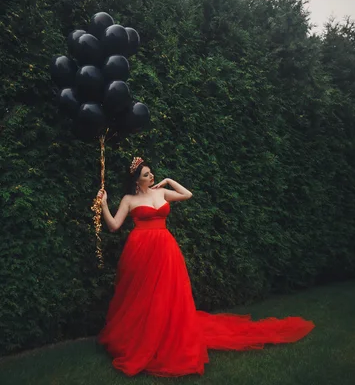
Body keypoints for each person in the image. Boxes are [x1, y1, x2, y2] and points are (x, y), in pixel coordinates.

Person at [96, 157, 315, 377]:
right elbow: (114, 226)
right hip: (141, 250)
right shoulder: (129, 199)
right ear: (137, 181)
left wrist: (169, 180)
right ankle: (142, 338)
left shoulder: (160, 193)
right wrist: (104, 204)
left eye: (151, 173)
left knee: (167, 294)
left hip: (165, 249)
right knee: (143, 296)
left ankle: (166, 334)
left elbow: (187, 195)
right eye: (147, 174)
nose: (152, 176)